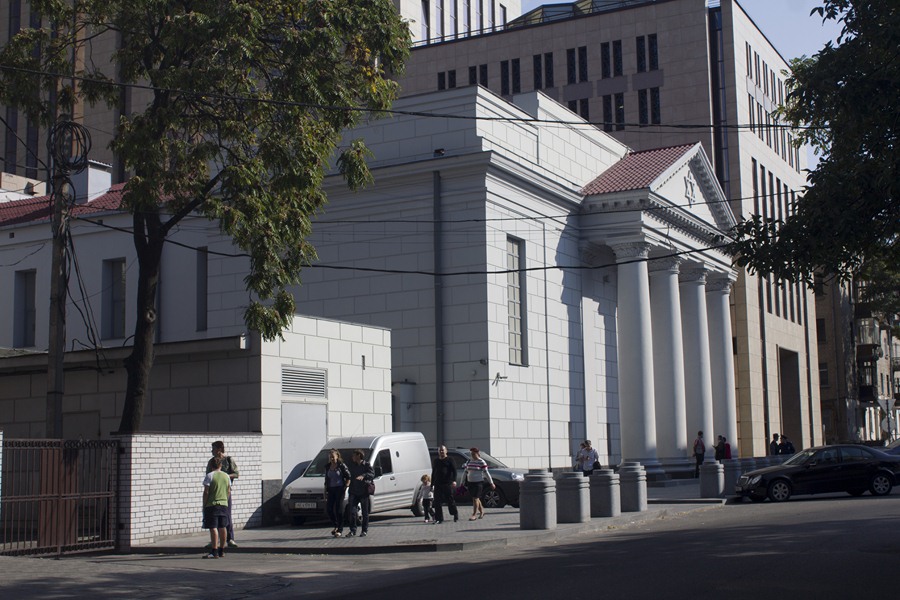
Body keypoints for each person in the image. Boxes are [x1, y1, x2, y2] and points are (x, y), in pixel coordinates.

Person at [206, 441, 240, 548]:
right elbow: (208, 475)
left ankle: (230, 539)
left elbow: (236, 474)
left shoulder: (228, 460)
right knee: (214, 519)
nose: (212, 451)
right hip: (214, 493)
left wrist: (224, 476)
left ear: (219, 449)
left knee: (227, 515)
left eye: (213, 449)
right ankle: (214, 541)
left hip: (225, 492)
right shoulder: (211, 462)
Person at [202, 456, 231, 559]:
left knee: (213, 527)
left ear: (211, 465)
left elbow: (206, 492)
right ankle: (222, 550)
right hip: (224, 504)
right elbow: (228, 490)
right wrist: (225, 501)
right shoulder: (226, 476)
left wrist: (204, 504)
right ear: (221, 465)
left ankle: (214, 550)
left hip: (212, 504)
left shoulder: (209, 476)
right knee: (222, 527)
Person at [346, 449, 375, 537]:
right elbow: (348, 475)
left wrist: (364, 475)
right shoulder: (352, 465)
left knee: (365, 513)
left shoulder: (366, 465)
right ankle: (352, 530)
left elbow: (372, 474)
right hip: (353, 491)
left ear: (359, 455)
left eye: (354, 455)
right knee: (352, 512)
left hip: (363, 492)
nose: (352, 457)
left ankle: (364, 530)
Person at [324, 449, 351, 537]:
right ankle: (335, 525)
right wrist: (325, 491)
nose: (331, 459)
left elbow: (348, 476)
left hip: (340, 489)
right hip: (331, 489)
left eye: (333, 457)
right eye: (330, 457)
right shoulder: (327, 466)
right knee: (329, 509)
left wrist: (346, 486)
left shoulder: (341, 465)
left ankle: (340, 529)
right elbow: (326, 479)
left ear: (337, 457)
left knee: (339, 510)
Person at [462, 447, 495, 521]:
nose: (472, 456)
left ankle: (474, 514)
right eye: (471, 454)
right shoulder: (469, 461)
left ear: (477, 453)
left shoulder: (481, 462)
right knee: (475, 498)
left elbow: (487, 473)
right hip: (470, 482)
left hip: (478, 482)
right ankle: (482, 511)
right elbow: (465, 472)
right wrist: (462, 482)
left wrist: (491, 483)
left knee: (475, 498)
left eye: (473, 454)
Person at [431, 445, 458, 524]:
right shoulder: (436, 461)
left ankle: (454, 514)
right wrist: (432, 484)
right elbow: (433, 473)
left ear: (446, 451)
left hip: (447, 483)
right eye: (440, 450)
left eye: (443, 450)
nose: (441, 452)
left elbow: (454, 471)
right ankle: (439, 518)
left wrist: (454, 480)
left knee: (450, 500)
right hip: (437, 483)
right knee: (437, 502)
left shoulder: (450, 460)